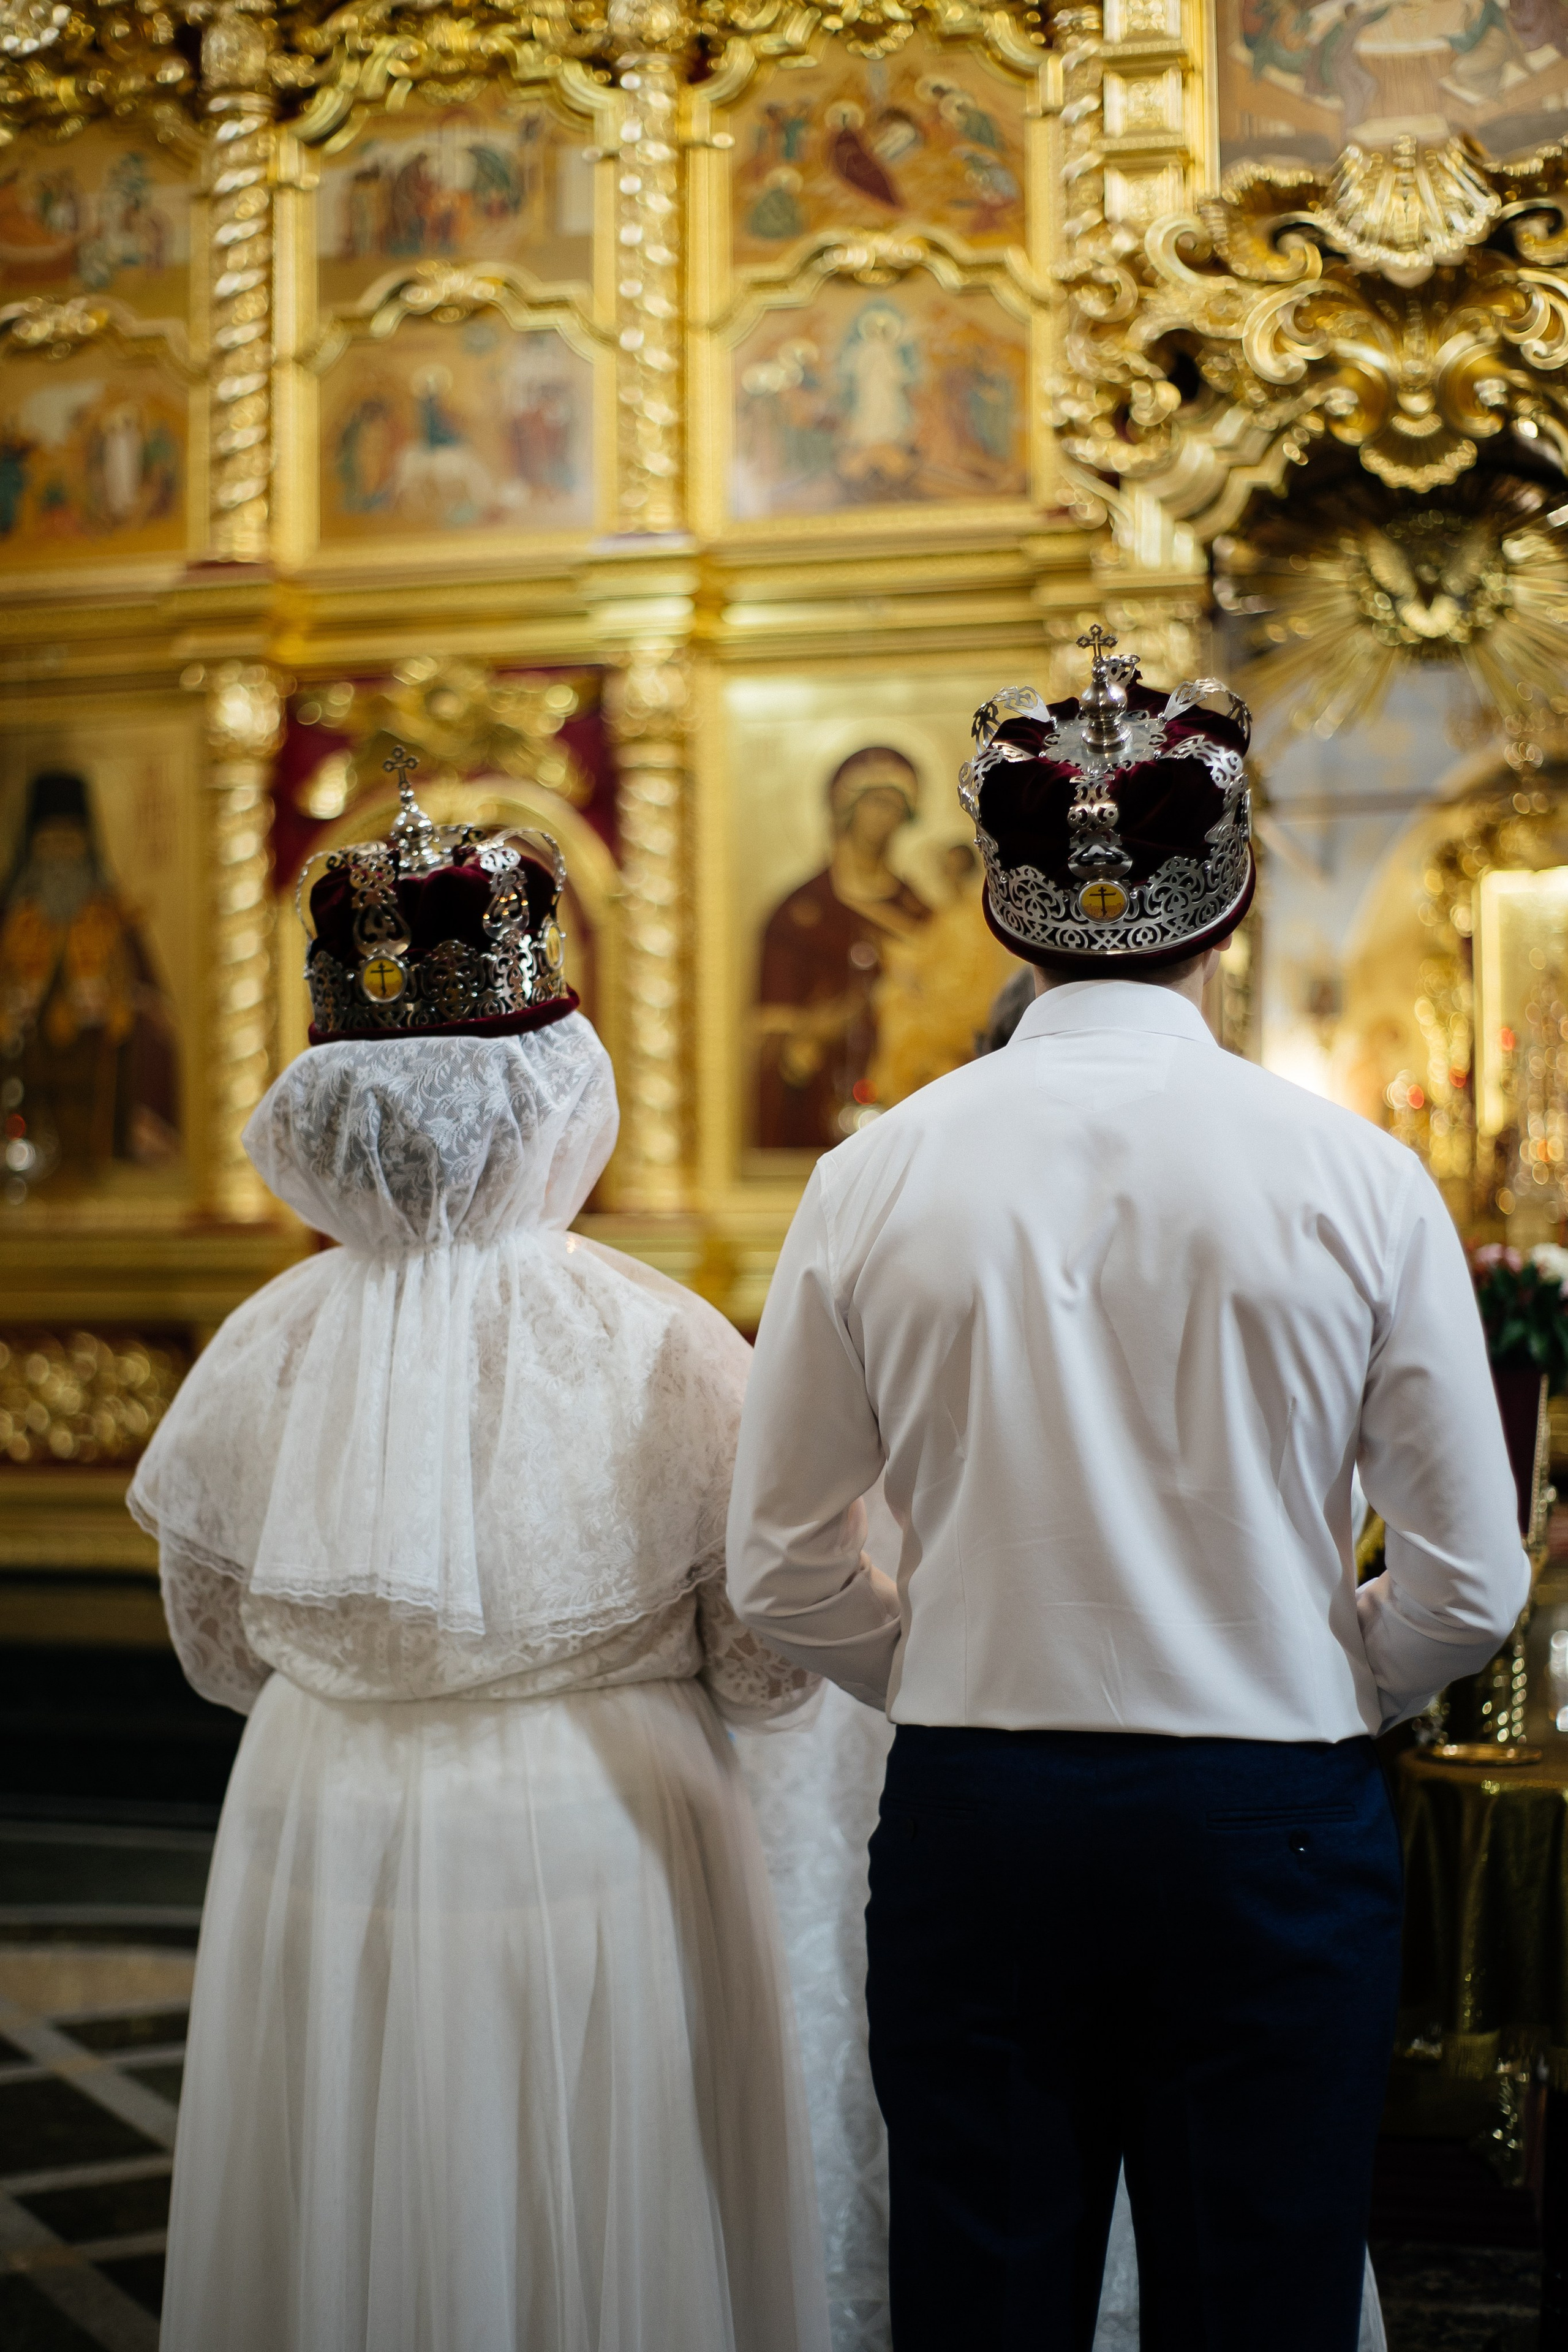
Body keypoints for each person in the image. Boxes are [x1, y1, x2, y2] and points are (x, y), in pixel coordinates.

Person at [727, 630, 1525, 2351]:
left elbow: (781, 1572)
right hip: (1275, 1823)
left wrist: (949, 1663)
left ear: (1006, 910)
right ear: (1229, 913)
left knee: (986, 2298)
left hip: (979, 1816)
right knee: (1266, 2300)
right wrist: (1324, 1674)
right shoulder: (1358, 1178)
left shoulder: (873, 1177)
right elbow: (1472, 1581)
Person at [129, 757, 831, 2352]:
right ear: (556, 1086)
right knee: (607, 2229)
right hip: (607, 1820)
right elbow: (768, 1659)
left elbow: (217, 1649)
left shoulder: (259, 1347)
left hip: (319, 1809)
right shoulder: (663, 1340)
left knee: (344, 2222)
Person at [755, 745, 929, 1150]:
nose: (882, 817)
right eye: (873, 802)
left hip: (908, 1093)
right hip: (822, 1097)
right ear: (846, 808)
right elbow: (770, 1042)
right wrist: (822, 1025)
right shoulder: (799, 915)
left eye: (894, 805)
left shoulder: (920, 912)